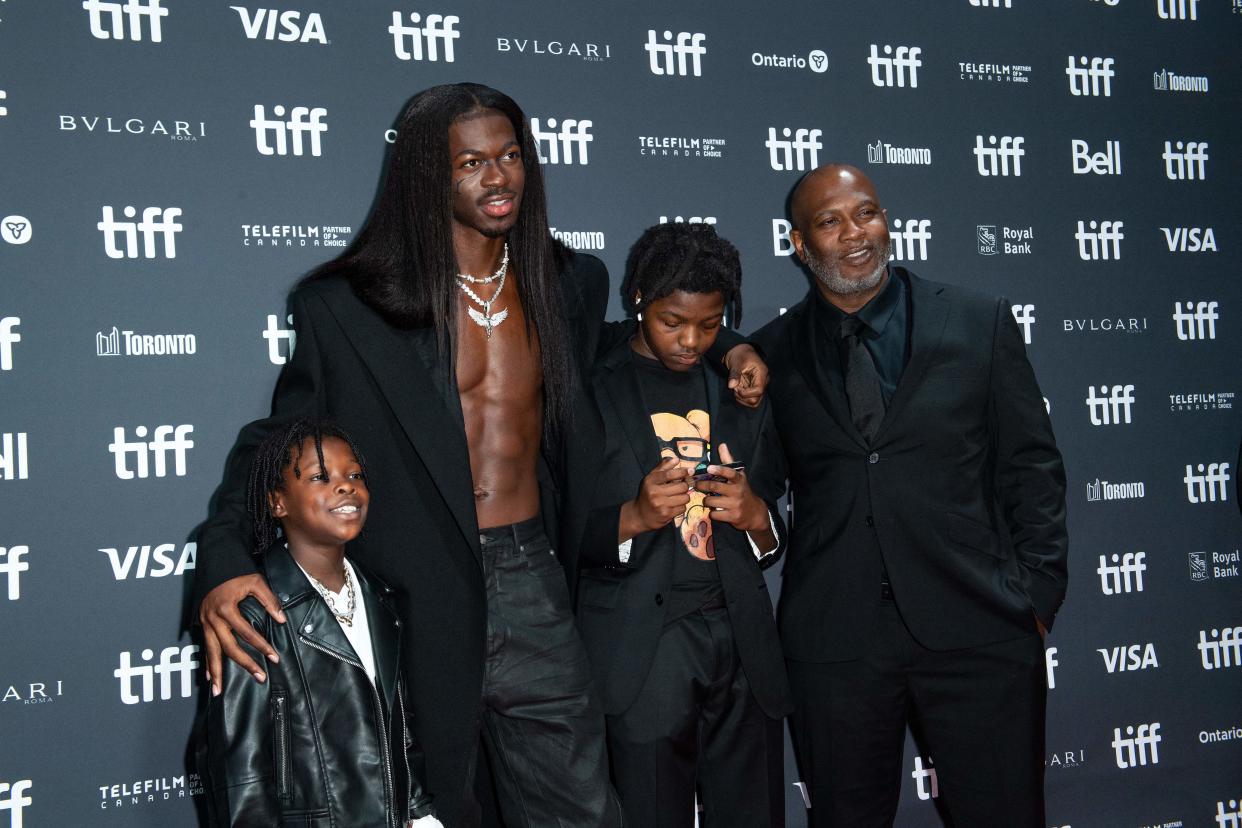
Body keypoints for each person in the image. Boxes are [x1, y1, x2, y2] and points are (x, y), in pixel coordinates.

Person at [193, 82, 767, 827]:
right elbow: (279, 441)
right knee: (438, 806)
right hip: (413, 590)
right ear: (428, 176)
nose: (497, 178)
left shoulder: (568, 283)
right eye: (470, 163)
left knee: (582, 810)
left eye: (510, 156)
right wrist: (223, 556)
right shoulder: (348, 306)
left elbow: (644, 337)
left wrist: (729, 341)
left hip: (533, 578)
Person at [751, 165, 1068, 827]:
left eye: (865, 213)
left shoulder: (976, 322)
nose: (854, 233)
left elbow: (1031, 467)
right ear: (799, 245)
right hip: (835, 644)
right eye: (830, 222)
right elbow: (760, 487)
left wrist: (1036, 595)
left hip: (978, 629)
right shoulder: (766, 356)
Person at [576, 223, 791, 827]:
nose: (691, 340)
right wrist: (633, 517)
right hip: (641, 653)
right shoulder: (587, 383)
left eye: (710, 323)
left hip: (743, 645)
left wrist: (756, 519)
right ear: (640, 296)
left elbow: (772, 528)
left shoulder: (742, 386)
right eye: (673, 321)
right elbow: (552, 532)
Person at [202, 418, 442, 828]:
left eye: (354, 475)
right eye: (320, 477)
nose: (346, 486)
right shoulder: (252, 615)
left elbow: (400, 732)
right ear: (278, 503)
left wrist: (420, 814)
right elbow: (239, 771)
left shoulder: (381, 598)